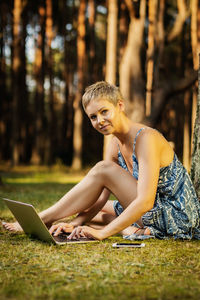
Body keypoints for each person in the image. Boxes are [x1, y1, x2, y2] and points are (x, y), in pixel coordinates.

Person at [3, 81, 200, 240]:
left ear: (120, 106)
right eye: (93, 117)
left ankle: (41, 218)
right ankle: (117, 228)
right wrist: (75, 223)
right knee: (89, 210)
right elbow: (100, 196)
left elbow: (146, 201)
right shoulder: (114, 144)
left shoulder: (146, 138)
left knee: (104, 171)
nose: (100, 121)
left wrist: (102, 233)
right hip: (152, 209)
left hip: (176, 215)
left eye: (104, 111)